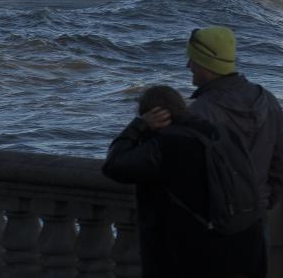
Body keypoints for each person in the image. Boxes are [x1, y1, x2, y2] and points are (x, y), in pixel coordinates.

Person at [102, 85, 267, 278]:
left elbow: (114, 165)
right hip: (245, 244)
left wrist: (138, 125)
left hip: (189, 254)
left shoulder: (164, 144)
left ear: (156, 116)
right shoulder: (222, 134)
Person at [186, 26, 283, 216]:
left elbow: (188, 175)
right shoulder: (267, 100)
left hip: (213, 221)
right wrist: (263, 202)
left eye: (193, 60)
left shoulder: (200, 111)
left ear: (207, 66)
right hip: (255, 214)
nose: (189, 66)